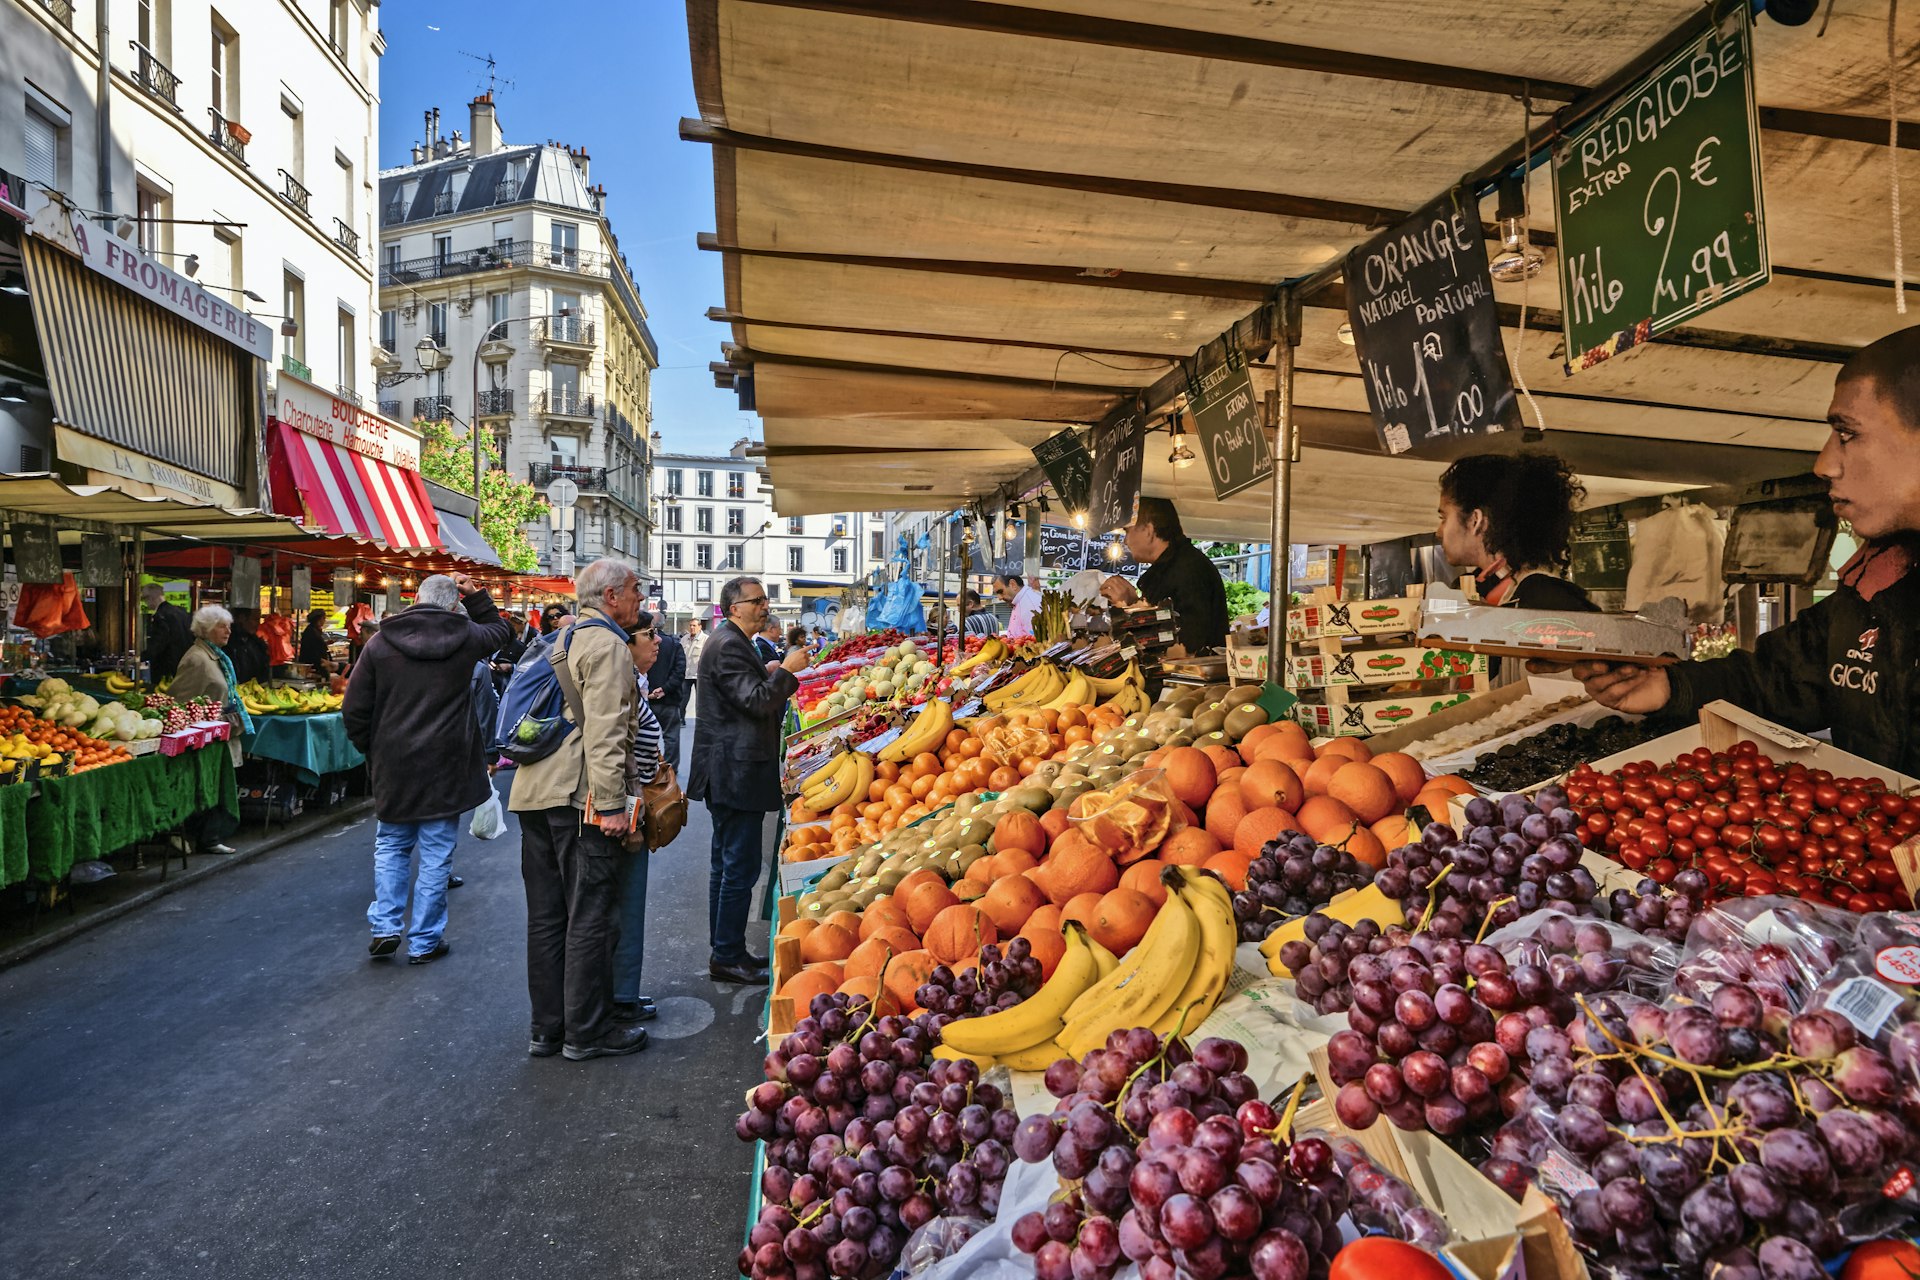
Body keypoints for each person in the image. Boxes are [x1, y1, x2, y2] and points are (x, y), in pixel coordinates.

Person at [1571, 324, 1920, 774]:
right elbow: (1777, 680)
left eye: (1847, 433)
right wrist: (1669, 688)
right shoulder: (1873, 587)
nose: (1825, 463)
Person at [507, 558, 650, 1061]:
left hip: (533, 792)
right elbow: (607, 732)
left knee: (547, 918)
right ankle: (586, 1032)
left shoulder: (561, 639)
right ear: (610, 597)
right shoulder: (608, 644)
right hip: (578, 796)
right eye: (635, 590)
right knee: (590, 915)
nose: (640, 598)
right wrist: (611, 805)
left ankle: (547, 1029)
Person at [342, 573, 511, 965]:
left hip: (395, 761)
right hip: (446, 761)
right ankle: (424, 941)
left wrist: (374, 747)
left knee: (392, 844)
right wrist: (477, 596)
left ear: (415, 598)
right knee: (436, 853)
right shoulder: (466, 639)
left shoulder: (380, 643)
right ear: (454, 605)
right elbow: (500, 630)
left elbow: (354, 709)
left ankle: (385, 927)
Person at [688, 576, 809, 984]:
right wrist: (787, 673)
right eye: (756, 601)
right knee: (737, 867)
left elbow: (745, 694)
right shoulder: (728, 645)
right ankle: (726, 955)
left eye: (765, 599)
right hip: (734, 771)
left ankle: (728, 948)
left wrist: (770, 671)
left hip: (731, 769)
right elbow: (756, 702)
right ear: (733, 607)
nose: (765, 606)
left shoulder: (733, 643)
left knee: (727, 865)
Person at [1436, 453, 1597, 611]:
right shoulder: (1506, 591)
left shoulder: (1542, 600)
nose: (1439, 532)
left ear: (1475, 520)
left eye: (1444, 518)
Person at [612, 613, 667, 1024]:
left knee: (628, 901)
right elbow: (621, 748)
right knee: (625, 902)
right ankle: (619, 996)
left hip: (630, 804)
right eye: (649, 634)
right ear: (627, 643)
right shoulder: (622, 682)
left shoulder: (633, 681)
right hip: (624, 809)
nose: (657, 641)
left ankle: (623, 991)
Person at [168, 605, 248, 855]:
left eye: (229, 626)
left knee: (217, 784)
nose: (228, 631)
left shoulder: (215, 656)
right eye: (222, 626)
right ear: (205, 630)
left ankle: (210, 836)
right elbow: (180, 699)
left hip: (220, 732)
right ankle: (203, 836)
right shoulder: (196, 659)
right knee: (207, 786)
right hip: (205, 736)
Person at [1126, 497, 1229, 653]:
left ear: (1148, 530)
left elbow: (1189, 640)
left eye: (1127, 531)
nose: (1126, 540)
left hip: (1189, 675)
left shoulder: (1188, 569)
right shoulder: (1174, 565)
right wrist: (1132, 604)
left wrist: (1132, 605)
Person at [648, 623, 689, 773]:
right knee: (671, 737)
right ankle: (670, 770)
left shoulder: (640, 644)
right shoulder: (674, 644)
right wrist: (665, 689)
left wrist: (649, 691)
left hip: (646, 699)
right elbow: (680, 672)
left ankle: (649, 768)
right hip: (668, 699)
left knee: (644, 737)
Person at [140, 583, 192, 683]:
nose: (145, 602)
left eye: (144, 598)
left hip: (166, 670)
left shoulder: (161, 616)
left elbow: (158, 644)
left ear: (151, 597)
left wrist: (141, 657)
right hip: (184, 665)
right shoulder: (182, 612)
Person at [222, 608, 271, 688]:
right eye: (255, 619)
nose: (258, 624)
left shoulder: (256, 643)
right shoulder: (228, 643)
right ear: (242, 618)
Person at [685, 618, 707, 719]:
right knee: (683, 698)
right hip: (686, 674)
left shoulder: (706, 639)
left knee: (701, 699)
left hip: (699, 675)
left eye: (694, 625)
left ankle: (701, 718)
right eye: (690, 625)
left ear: (700, 627)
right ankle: (681, 718)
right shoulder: (684, 639)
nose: (692, 628)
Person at [298, 607, 332, 673]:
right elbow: (313, 648)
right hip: (313, 665)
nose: (324, 621)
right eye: (323, 618)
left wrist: (326, 643)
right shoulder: (312, 631)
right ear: (318, 619)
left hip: (316, 664)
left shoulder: (313, 630)